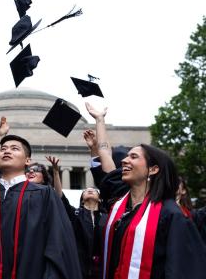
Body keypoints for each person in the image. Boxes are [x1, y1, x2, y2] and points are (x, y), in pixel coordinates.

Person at [86, 102, 206, 279]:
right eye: (126, 156)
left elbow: (181, 269)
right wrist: (100, 121)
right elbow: (105, 154)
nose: (125, 161)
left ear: (153, 169)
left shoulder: (170, 215)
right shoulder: (120, 198)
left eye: (133, 157)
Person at [0, 133, 81, 279]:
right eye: (3, 149)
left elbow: (58, 243)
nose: (6, 151)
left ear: (27, 160)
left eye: (14, 148)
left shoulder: (45, 195)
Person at [45, 155, 105, 279]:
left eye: (93, 190)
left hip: (101, 268)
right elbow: (60, 197)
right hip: (79, 266)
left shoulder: (107, 217)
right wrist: (56, 172)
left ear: (100, 199)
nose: (90, 190)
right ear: (82, 199)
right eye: (86, 190)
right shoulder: (75, 214)